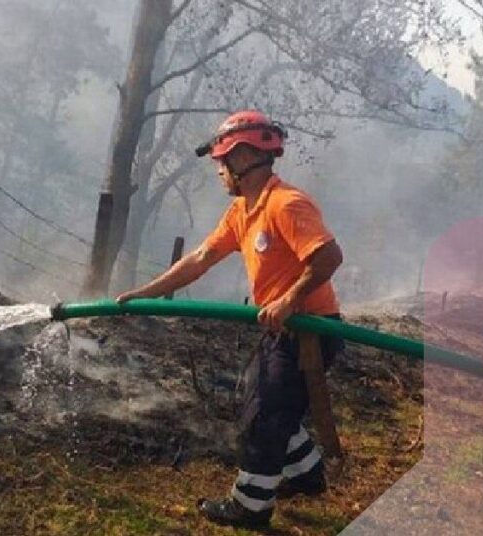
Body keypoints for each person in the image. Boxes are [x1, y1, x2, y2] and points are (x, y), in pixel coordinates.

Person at [115, 110, 344, 529]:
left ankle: (250, 507)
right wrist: (146, 293)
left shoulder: (285, 204)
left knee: (263, 413)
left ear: (242, 158)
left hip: (308, 330)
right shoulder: (243, 212)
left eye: (222, 162)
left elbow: (328, 257)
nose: (219, 172)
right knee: (263, 401)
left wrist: (290, 300)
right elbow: (201, 258)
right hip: (282, 330)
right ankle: (307, 474)